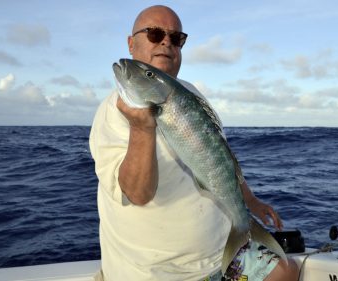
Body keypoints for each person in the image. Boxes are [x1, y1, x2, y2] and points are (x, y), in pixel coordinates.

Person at [89, 5, 299, 281]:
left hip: (217, 256)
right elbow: (138, 194)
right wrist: (141, 128)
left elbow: (219, 155)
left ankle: (240, 232)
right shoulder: (112, 114)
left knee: (286, 271)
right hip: (158, 274)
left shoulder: (190, 93)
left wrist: (250, 200)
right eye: (154, 34)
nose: (166, 41)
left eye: (176, 38)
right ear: (131, 43)